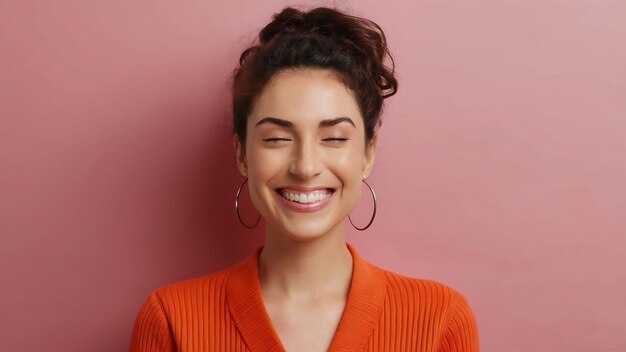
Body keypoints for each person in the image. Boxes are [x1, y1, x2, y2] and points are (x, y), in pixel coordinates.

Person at [129, 5, 479, 352]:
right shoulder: (172, 320)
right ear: (241, 154)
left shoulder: (439, 320)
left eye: (334, 138)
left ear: (367, 153)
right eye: (277, 138)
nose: (305, 166)